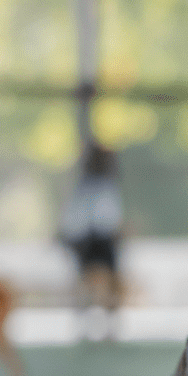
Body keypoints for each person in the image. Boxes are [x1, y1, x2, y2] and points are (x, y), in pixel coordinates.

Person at [60, 142, 124, 340]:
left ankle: (107, 327)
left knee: (104, 283)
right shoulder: (89, 187)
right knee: (88, 283)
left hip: (98, 237)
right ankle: (87, 327)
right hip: (92, 238)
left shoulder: (104, 186)